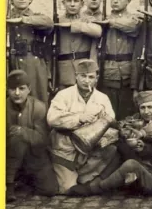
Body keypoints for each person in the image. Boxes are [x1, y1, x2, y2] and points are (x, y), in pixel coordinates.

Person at [47, 59, 120, 194]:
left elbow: (111, 123)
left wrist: (105, 138)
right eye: (83, 76)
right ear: (76, 76)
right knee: (67, 189)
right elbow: (52, 119)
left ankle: (83, 177)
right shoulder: (64, 95)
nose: (87, 81)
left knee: (111, 150)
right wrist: (78, 118)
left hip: (90, 150)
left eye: (91, 77)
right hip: (65, 148)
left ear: (96, 78)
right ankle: (73, 178)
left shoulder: (102, 98)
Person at [6, 70, 59, 202]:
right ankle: (9, 184)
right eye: (12, 89)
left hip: (33, 155)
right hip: (6, 156)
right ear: (7, 90)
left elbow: (42, 139)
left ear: (29, 89)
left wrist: (21, 131)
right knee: (17, 139)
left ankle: (24, 179)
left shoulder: (38, 107)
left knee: (50, 189)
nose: (17, 93)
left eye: (21, 88)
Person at [93, 0, 141, 120]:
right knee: (108, 117)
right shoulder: (102, 18)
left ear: (128, 1)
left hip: (128, 76)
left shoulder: (133, 18)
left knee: (127, 117)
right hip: (108, 75)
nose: (115, 1)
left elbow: (133, 27)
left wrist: (111, 22)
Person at [6, 0, 54, 104]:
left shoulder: (36, 17)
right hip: (10, 61)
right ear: (11, 0)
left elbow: (49, 23)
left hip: (33, 62)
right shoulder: (5, 16)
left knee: (36, 97)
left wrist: (24, 19)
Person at [53, 0, 103, 90]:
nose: (72, 4)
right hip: (64, 71)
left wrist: (75, 25)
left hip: (85, 70)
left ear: (82, 3)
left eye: (76, 1)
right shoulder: (57, 21)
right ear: (63, 3)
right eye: (69, 1)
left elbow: (98, 31)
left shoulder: (88, 19)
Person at [116, 90, 152, 161]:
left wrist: (144, 147)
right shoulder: (135, 119)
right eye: (142, 108)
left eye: (150, 107)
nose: (146, 112)